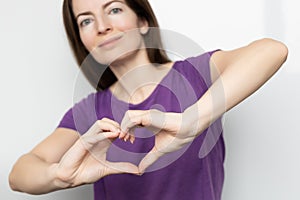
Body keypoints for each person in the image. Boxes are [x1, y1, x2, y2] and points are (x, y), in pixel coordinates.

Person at [9, 0, 288, 199]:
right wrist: (59, 175)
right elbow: (20, 174)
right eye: (86, 20)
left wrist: (190, 121)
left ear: (143, 21)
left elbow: (270, 50)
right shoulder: (89, 112)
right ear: (81, 39)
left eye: (114, 9)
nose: (102, 26)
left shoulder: (194, 76)